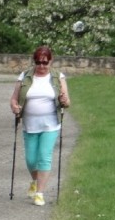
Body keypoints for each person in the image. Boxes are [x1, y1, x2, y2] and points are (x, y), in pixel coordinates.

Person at [9, 45, 71, 206]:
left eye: (45, 63)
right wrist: (15, 107)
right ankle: (35, 182)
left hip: (50, 124)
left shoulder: (58, 77)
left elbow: (67, 101)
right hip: (29, 124)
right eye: (38, 62)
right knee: (31, 160)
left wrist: (64, 101)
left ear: (51, 61)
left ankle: (40, 193)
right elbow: (14, 99)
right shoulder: (25, 77)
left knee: (44, 157)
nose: (41, 66)